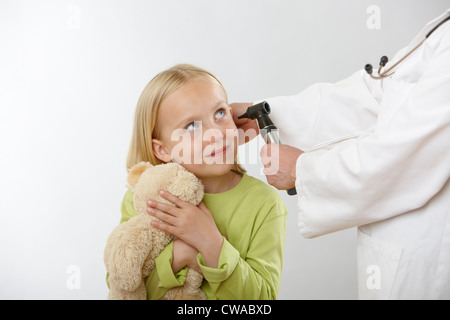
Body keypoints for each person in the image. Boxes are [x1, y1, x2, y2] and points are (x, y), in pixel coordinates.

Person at [231, 10, 450, 299]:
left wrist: (303, 171)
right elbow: (378, 96)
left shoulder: (261, 205)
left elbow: (407, 151)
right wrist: (267, 113)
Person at [118, 64, 287, 299]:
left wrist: (211, 245)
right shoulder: (146, 197)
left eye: (219, 113)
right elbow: (123, 286)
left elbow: (261, 300)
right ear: (162, 149)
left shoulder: (264, 204)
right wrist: (180, 254)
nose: (216, 134)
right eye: (192, 126)